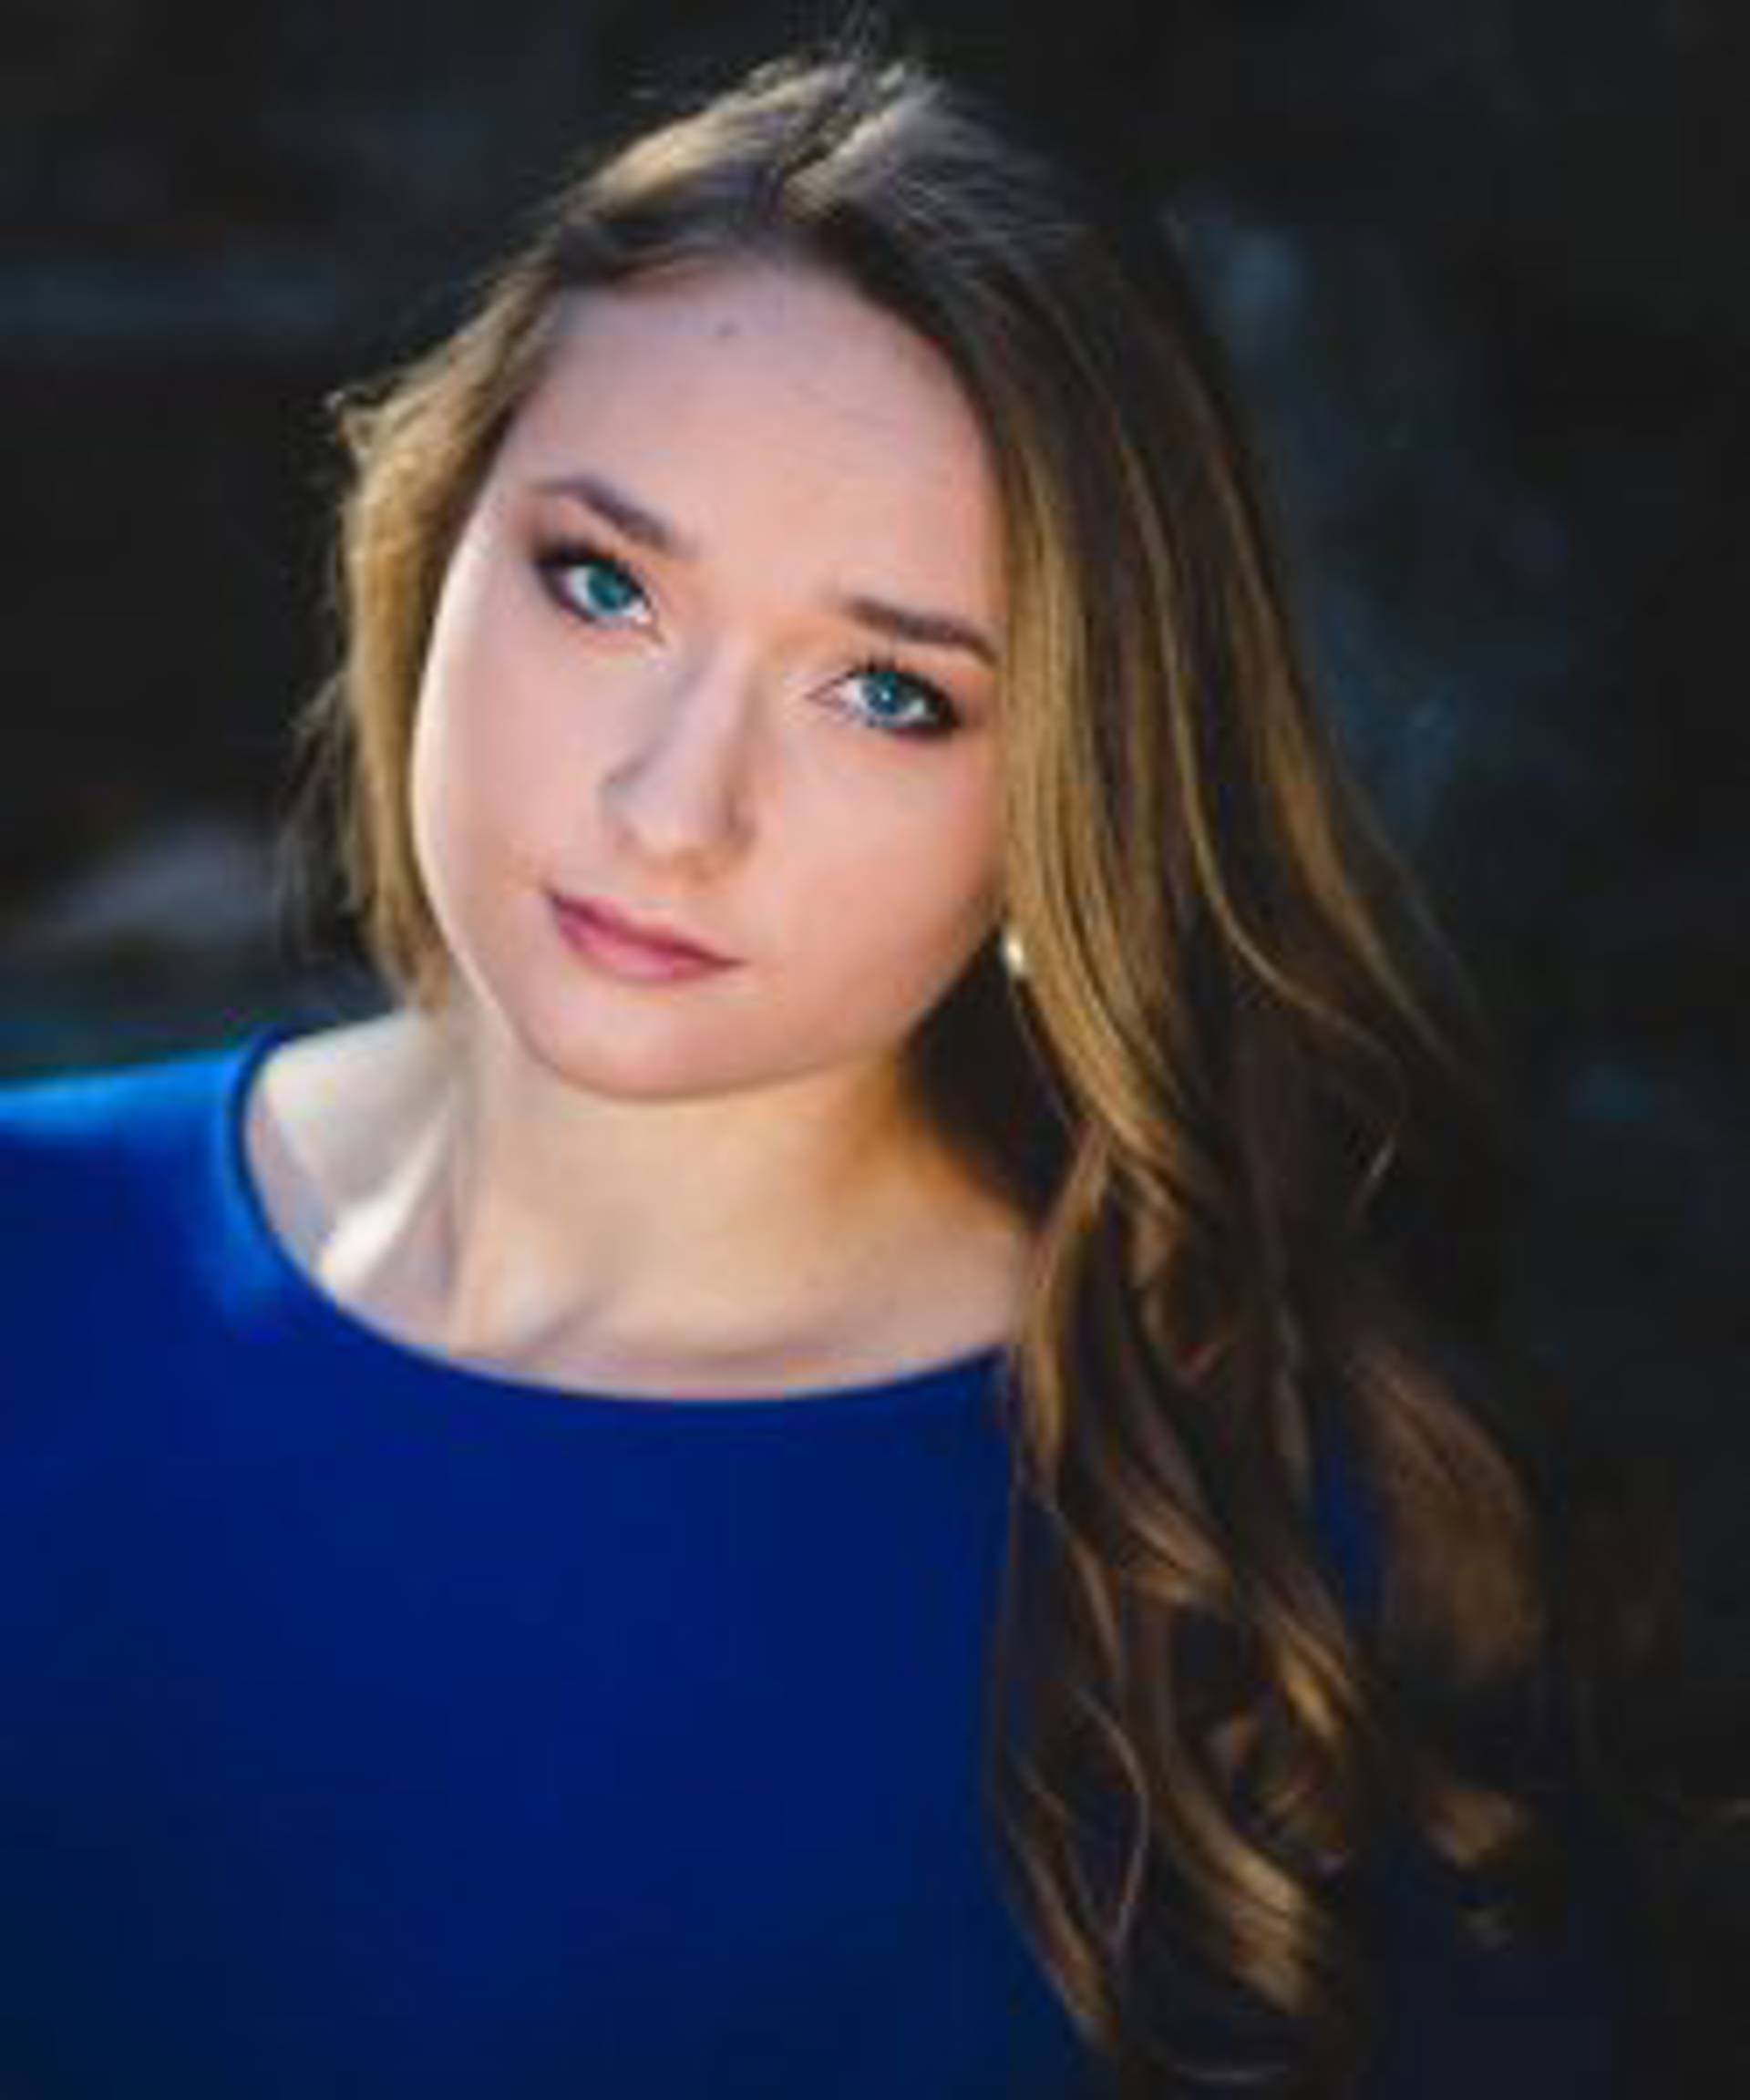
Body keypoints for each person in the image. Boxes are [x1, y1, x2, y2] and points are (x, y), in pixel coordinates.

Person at [0, 32, 1650, 2100]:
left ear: (1068, 797)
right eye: (604, 584)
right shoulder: (29, 1247)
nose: (672, 808)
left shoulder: (1284, 1564)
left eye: (887, 693)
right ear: (435, 541)